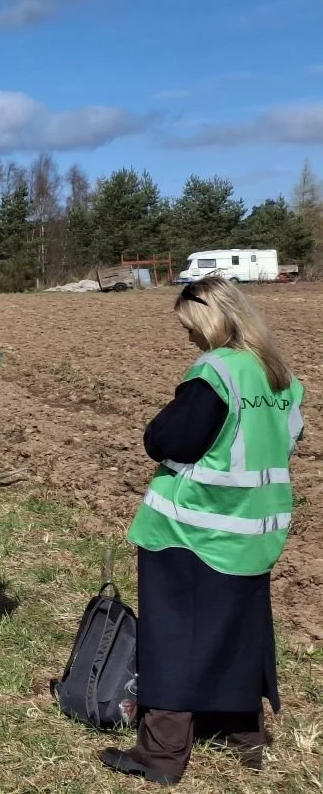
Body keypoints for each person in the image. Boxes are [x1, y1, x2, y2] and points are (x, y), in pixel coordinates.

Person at [101, 274, 304, 785]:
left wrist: (159, 432)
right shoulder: (277, 376)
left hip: (193, 530)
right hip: (255, 531)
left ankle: (162, 754)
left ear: (210, 319)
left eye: (189, 326)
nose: (188, 337)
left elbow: (169, 439)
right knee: (239, 632)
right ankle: (243, 735)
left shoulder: (216, 372)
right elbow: (289, 440)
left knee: (174, 638)